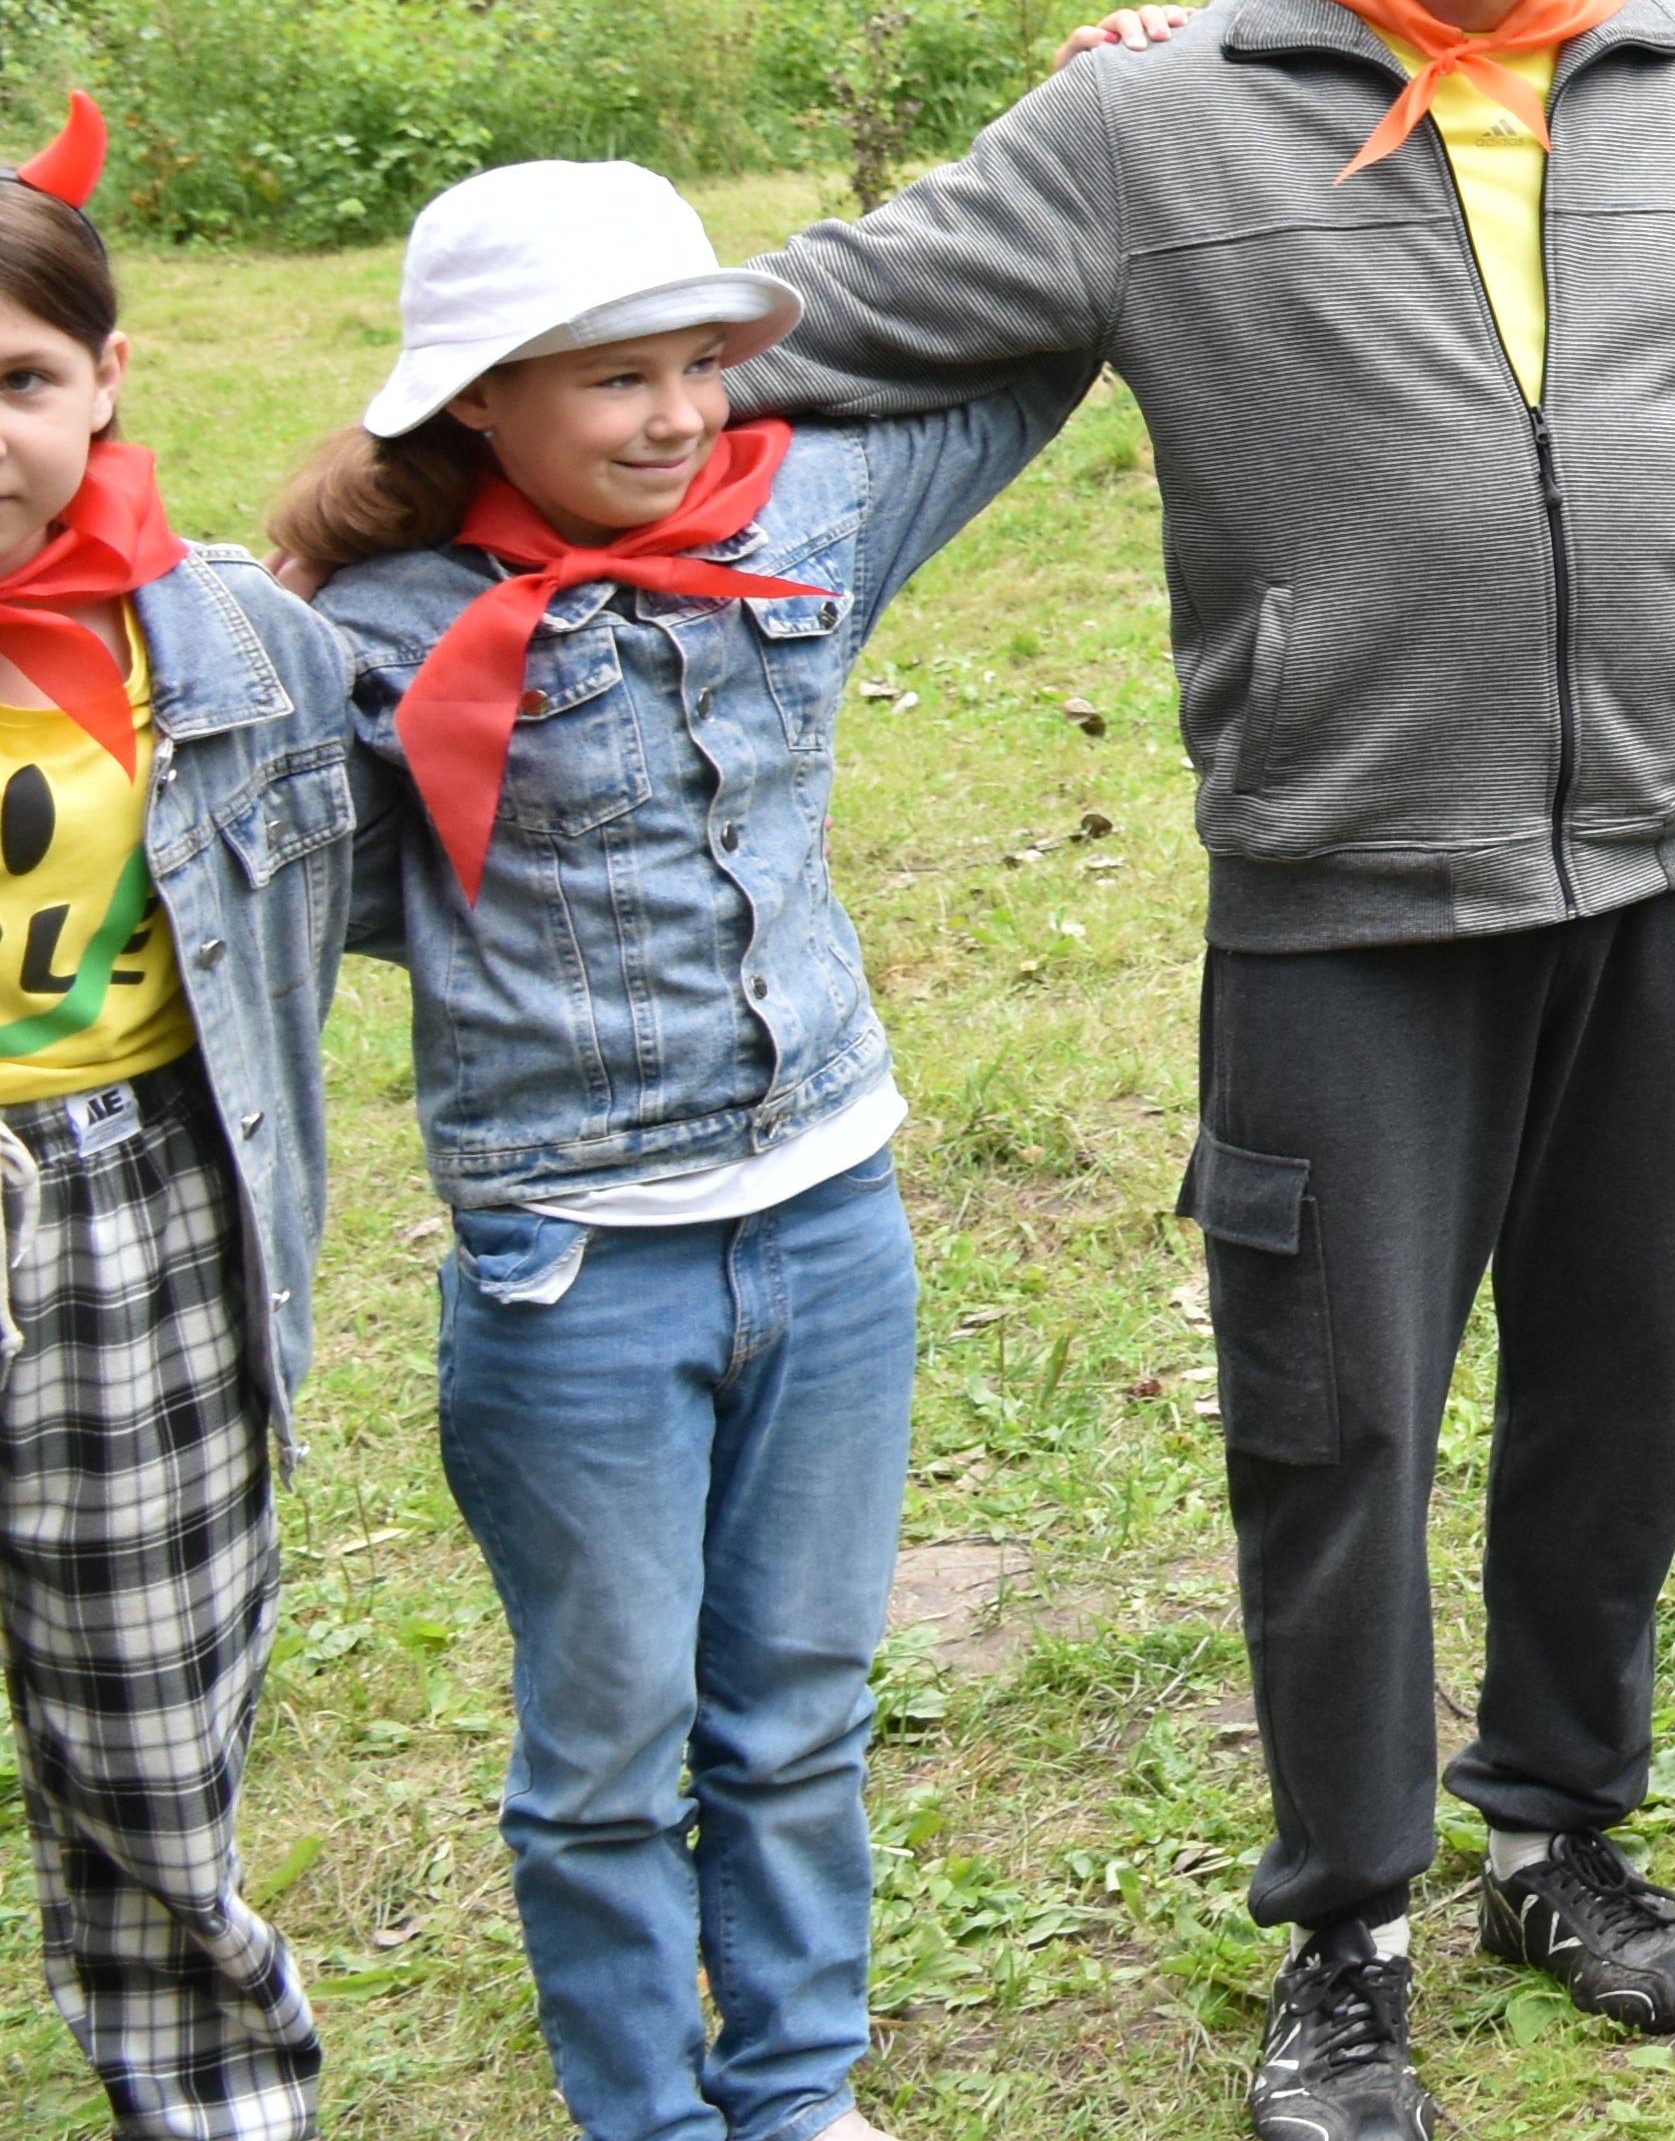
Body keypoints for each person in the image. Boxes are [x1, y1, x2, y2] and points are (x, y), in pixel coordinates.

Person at [727, 0, 1675, 2141]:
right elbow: (815, 311)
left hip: (1665, 858)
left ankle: (1566, 1831)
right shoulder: (1151, 132)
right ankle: (1350, 1934)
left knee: (1624, 1377)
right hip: (1340, 886)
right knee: (1337, 1428)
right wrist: (497, 390)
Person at [277, 166, 1082, 2141]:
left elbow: (1036, 334)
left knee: (800, 1702)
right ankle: (649, 2111)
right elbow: (257, 835)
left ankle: (799, 2087)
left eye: (698, 366)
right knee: (609, 1744)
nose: (670, 416)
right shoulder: (363, 640)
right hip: (574, 1275)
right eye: (612, 379)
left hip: (832, 1218)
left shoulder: (796, 518)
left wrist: (1102, 100)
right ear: (475, 399)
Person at [0, 96, 356, 2141]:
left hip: (132, 1216)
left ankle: (212, 2100)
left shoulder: (224, 645)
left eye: (23, 377)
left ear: (108, 376)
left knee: (145, 1743)